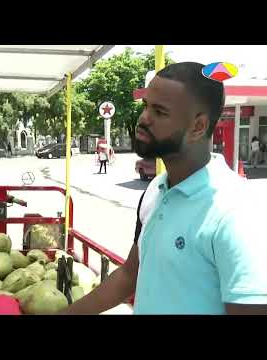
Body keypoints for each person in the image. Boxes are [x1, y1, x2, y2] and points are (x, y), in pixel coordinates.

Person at [62, 62, 266, 315]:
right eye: (146, 106)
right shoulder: (157, 188)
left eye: (159, 112)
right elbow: (129, 274)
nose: (144, 118)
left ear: (198, 126)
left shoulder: (235, 212)